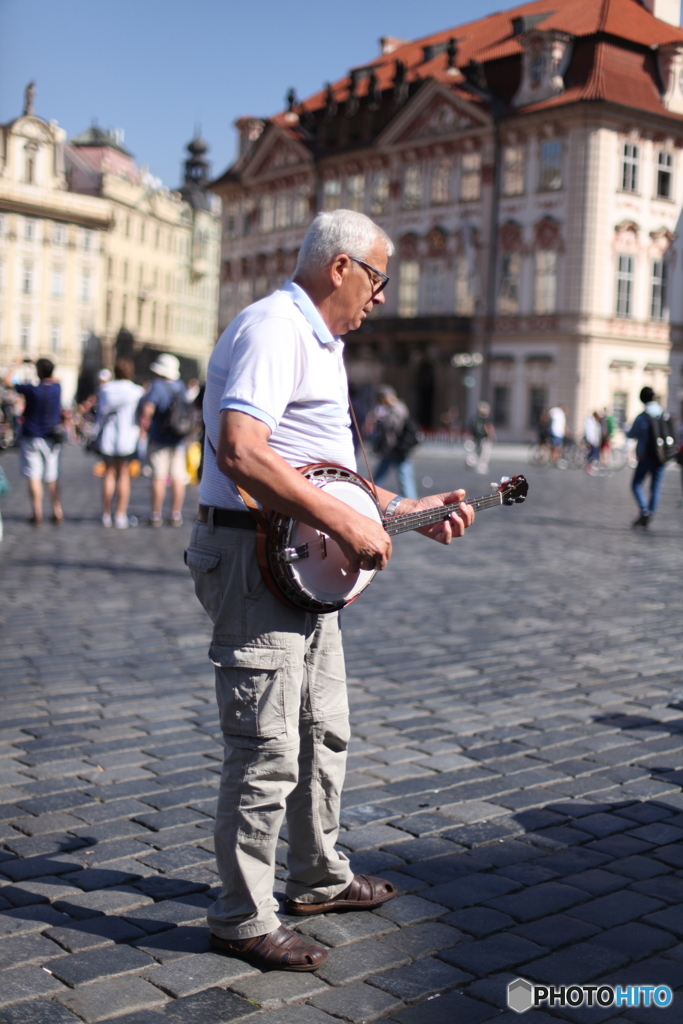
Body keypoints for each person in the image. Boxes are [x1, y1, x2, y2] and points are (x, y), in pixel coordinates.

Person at [187, 208, 474, 972]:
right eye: (377, 278)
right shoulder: (274, 328)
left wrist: (400, 510)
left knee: (323, 731)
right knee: (264, 749)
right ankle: (241, 917)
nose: (381, 296)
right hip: (255, 560)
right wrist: (346, 531)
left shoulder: (318, 340)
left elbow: (323, 472)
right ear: (339, 267)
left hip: (299, 564)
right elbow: (243, 453)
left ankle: (316, 876)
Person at [2, 356, 63, 524]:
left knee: (34, 476)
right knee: (51, 476)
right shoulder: (57, 388)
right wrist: (40, 363)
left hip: (31, 436)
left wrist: (18, 363)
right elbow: (53, 377)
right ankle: (57, 509)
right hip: (51, 437)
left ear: (39, 372)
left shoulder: (32, 389)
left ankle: (37, 512)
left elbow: (7, 381)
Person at [138, 353, 188, 527]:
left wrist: (144, 426)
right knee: (177, 477)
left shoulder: (157, 386)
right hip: (178, 438)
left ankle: (156, 514)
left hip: (159, 439)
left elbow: (148, 410)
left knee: (158, 477)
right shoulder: (180, 386)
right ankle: (175, 514)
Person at [96, 358, 144, 528]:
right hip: (128, 437)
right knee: (123, 474)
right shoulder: (136, 391)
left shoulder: (105, 389)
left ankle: (106, 514)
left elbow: (100, 414)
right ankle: (120, 514)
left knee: (108, 473)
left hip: (108, 436)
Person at [367, 384, 418, 498]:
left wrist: (380, 422)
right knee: (400, 477)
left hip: (396, 449)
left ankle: (370, 494)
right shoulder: (397, 408)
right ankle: (370, 494)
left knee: (404, 479)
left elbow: (392, 429)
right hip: (393, 450)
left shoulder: (397, 409)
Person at [627, 386, 666, 528]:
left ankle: (645, 511)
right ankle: (650, 513)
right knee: (656, 487)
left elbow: (631, 434)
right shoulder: (663, 413)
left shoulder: (643, 416)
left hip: (646, 456)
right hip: (662, 457)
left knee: (636, 484)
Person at [468, 401, 495, 475]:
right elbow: (489, 428)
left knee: (477, 452)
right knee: (484, 454)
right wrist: (491, 436)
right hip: (484, 439)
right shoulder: (486, 420)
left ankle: (472, 462)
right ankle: (480, 466)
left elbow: (471, 429)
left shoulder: (475, 419)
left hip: (477, 438)